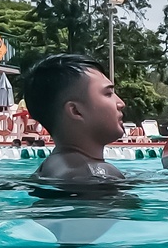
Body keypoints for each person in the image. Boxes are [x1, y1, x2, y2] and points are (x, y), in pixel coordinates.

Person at [20, 53, 126, 184]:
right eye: (108, 93)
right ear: (76, 111)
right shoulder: (93, 174)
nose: (121, 103)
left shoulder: (50, 168)